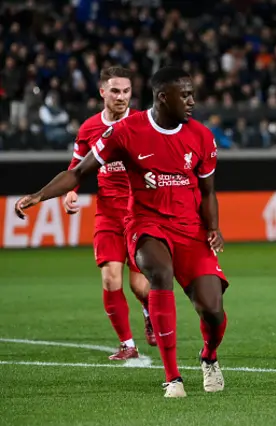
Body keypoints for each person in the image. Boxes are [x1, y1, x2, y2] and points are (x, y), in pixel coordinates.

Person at [14, 66, 228, 398]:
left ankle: (209, 357)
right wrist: (40, 196)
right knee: (159, 273)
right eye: (184, 94)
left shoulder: (202, 136)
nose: (191, 100)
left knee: (213, 310)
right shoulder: (126, 131)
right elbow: (79, 171)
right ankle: (173, 378)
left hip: (190, 228)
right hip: (145, 223)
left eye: (191, 93)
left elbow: (208, 189)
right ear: (162, 97)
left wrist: (213, 227)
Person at [64, 67, 155, 360]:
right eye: (115, 91)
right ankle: (128, 344)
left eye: (126, 91)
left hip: (139, 212)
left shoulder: (143, 123)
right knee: (110, 279)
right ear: (102, 92)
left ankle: (149, 310)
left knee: (139, 285)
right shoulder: (89, 128)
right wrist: (70, 192)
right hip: (107, 213)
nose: (121, 97)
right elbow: (76, 168)